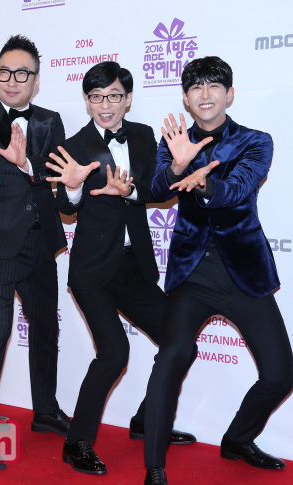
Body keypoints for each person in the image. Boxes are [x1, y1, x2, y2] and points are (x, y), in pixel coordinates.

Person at [142, 56, 293, 485]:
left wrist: (204, 182)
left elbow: (239, 188)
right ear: (186, 98)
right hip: (193, 274)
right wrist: (177, 166)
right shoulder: (173, 142)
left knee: (281, 373)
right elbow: (155, 189)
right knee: (170, 357)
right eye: (196, 87)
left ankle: (237, 440)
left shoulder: (256, 141)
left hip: (244, 273)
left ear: (230, 94)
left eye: (214, 86)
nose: (205, 94)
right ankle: (154, 467)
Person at [47, 62, 196, 475]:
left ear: (127, 98)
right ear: (87, 101)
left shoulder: (144, 136)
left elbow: (156, 190)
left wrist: (136, 188)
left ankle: (147, 420)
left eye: (113, 95)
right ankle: (76, 442)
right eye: (96, 97)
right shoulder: (74, 145)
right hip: (92, 272)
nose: (105, 105)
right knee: (115, 352)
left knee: (181, 343)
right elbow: (65, 208)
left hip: (134, 267)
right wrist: (72, 188)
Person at [0, 34, 69, 469]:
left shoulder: (50, 121)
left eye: (22, 73)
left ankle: (46, 410)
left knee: (45, 328)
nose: (12, 80)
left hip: (41, 241)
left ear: (36, 81)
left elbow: (55, 172)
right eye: (4, 72)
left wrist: (25, 164)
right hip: (1, 244)